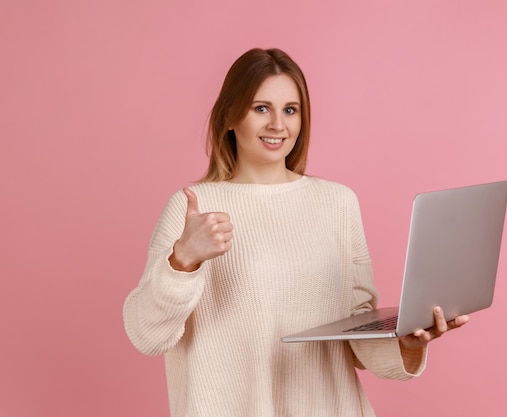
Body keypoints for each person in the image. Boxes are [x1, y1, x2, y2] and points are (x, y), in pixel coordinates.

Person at [123, 48, 469, 417]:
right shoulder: (192, 207)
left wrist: (409, 342)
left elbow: (355, 332)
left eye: (290, 110)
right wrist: (183, 260)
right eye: (261, 108)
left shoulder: (337, 203)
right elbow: (148, 336)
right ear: (228, 116)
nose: (277, 125)